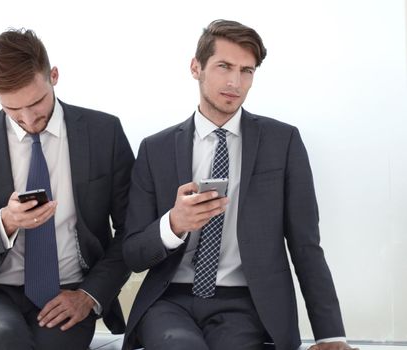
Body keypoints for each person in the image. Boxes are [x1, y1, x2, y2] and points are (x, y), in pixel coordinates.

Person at [122, 19, 357, 350]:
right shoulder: (154, 149)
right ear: (196, 67)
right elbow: (132, 254)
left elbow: (306, 246)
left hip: (246, 304)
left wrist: (330, 335)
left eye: (247, 71)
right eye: (224, 66)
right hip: (170, 300)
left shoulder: (283, 142)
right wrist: (174, 225)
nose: (235, 82)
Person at [0, 28, 134, 350]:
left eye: (36, 102)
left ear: (53, 76)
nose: (29, 119)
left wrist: (89, 295)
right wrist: (6, 222)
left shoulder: (104, 133)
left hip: (70, 290)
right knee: (1, 336)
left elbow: (131, 230)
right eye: (13, 110)